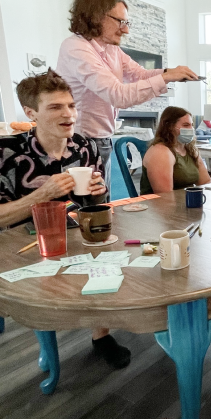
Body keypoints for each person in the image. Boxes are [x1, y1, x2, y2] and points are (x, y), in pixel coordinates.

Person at [0, 70, 131, 369]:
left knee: (109, 258)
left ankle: (101, 335)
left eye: (71, 105)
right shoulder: (7, 154)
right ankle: (49, 347)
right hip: (25, 244)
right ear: (31, 112)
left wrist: (98, 193)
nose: (69, 114)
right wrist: (40, 195)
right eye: (56, 107)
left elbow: (94, 205)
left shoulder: (85, 147)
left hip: (76, 234)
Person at [56, 0, 199, 198]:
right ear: (96, 16)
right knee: (87, 207)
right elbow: (118, 95)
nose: (126, 30)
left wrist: (170, 72)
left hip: (102, 139)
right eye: (121, 22)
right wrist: (166, 77)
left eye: (126, 22)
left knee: (101, 203)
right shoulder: (76, 48)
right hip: (79, 142)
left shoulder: (112, 49)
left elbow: (139, 74)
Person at [140, 106, 211, 194]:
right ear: (170, 126)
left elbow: (205, 183)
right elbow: (165, 196)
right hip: (160, 206)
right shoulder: (160, 152)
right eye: (186, 125)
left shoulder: (191, 150)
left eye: (191, 125)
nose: (191, 129)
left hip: (186, 202)